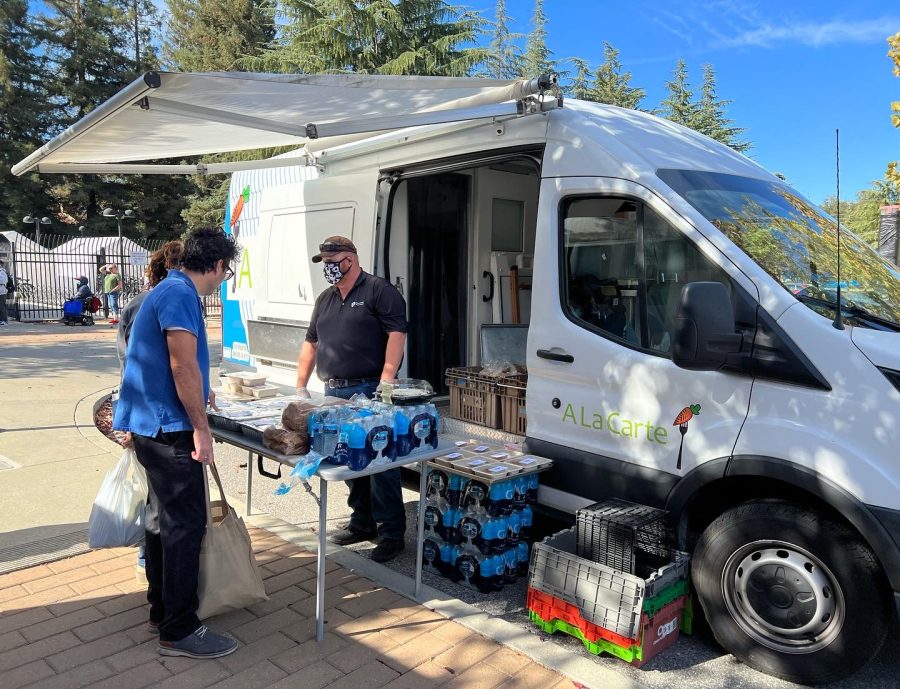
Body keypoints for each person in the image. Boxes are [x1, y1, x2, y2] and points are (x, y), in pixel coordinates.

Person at [113, 228, 239, 659]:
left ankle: (162, 609)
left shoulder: (168, 289)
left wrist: (200, 394)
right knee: (185, 526)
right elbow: (181, 366)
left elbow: (180, 369)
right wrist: (201, 428)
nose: (223, 280)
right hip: (169, 430)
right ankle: (180, 628)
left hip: (153, 425)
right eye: (225, 272)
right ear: (218, 266)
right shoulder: (181, 295)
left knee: (161, 521)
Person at [295, 235, 408, 563]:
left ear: (350, 260)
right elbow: (311, 343)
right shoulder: (326, 298)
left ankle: (391, 532)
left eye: (333, 262)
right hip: (334, 391)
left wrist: (386, 380)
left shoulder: (378, 291)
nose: (328, 268)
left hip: (370, 389)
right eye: (324, 263)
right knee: (348, 459)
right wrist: (300, 387)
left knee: (380, 461)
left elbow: (396, 335)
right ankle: (362, 522)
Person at [115, 241, 183, 577]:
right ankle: (157, 564)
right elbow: (142, 366)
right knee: (163, 503)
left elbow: (126, 364)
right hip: (161, 421)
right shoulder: (174, 300)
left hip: (141, 414)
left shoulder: (138, 303)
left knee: (152, 496)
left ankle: (150, 561)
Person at [0, 260, 9, 326]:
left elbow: (4, 281)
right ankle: (1, 320)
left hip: (2, 292)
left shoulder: (2, 272)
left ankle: (4, 320)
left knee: (2, 306)